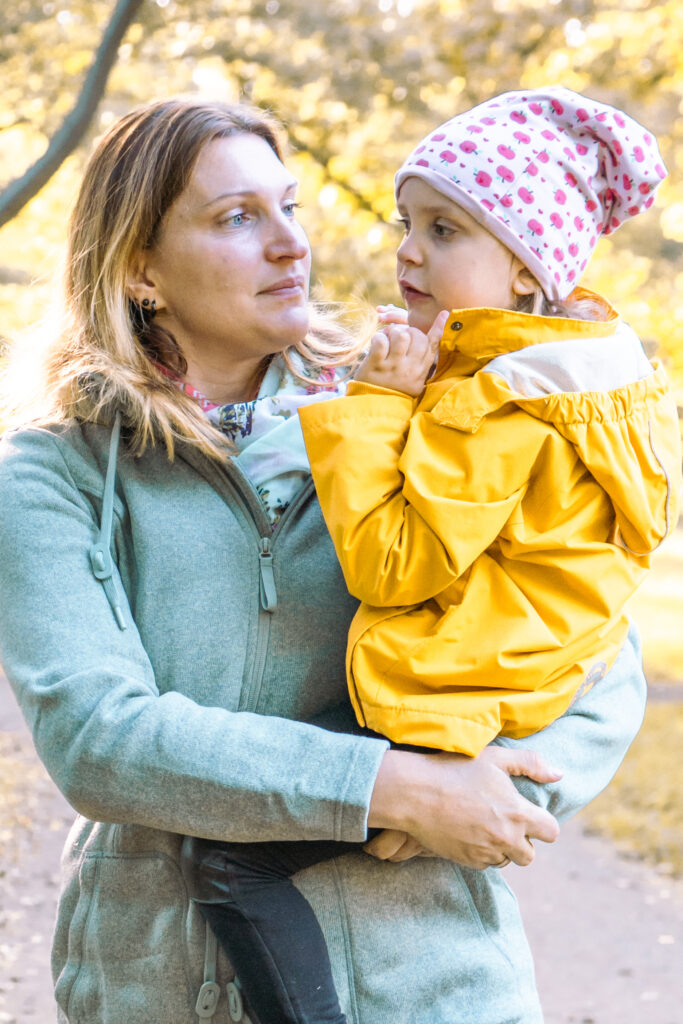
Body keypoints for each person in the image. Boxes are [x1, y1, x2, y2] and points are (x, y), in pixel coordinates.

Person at [0, 96, 649, 1024]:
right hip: (160, 990)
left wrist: (480, 792)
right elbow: (102, 740)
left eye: (290, 209)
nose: (290, 245)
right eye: (237, 218)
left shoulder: (414, 410)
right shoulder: (55, 470)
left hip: (432, 984)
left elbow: (594, 654)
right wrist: (393, 787)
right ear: (140, 268)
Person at [180, 88, 681, 1023]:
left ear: (527, 271)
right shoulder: (603, 385)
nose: (408, 250)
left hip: (441, 701)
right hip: (509, 689)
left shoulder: (487, 402)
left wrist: (377, 408)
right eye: (406, 222)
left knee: (231, 862)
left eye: (444, 229)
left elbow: (389, 563)